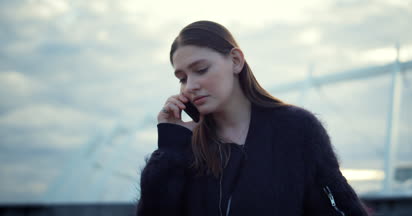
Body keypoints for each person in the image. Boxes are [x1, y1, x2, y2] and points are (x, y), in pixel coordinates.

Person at [136, 20, 369, 216]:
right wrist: (169, 148)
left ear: (236, 61)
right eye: (182, 78)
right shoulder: (185, 146)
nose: (190, 86)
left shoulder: (296, 129)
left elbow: (343, 206)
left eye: (201, 69)